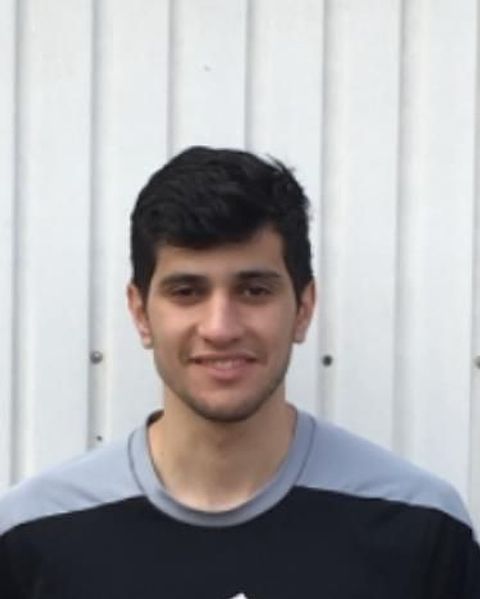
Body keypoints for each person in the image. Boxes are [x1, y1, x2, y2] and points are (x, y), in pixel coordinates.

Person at [0, 146, 478, 598]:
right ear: (141, 313)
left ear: (304, 308)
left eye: (254, 291)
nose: (220, 328)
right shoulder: (31, 536)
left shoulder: (421, 527)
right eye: (186, 292)